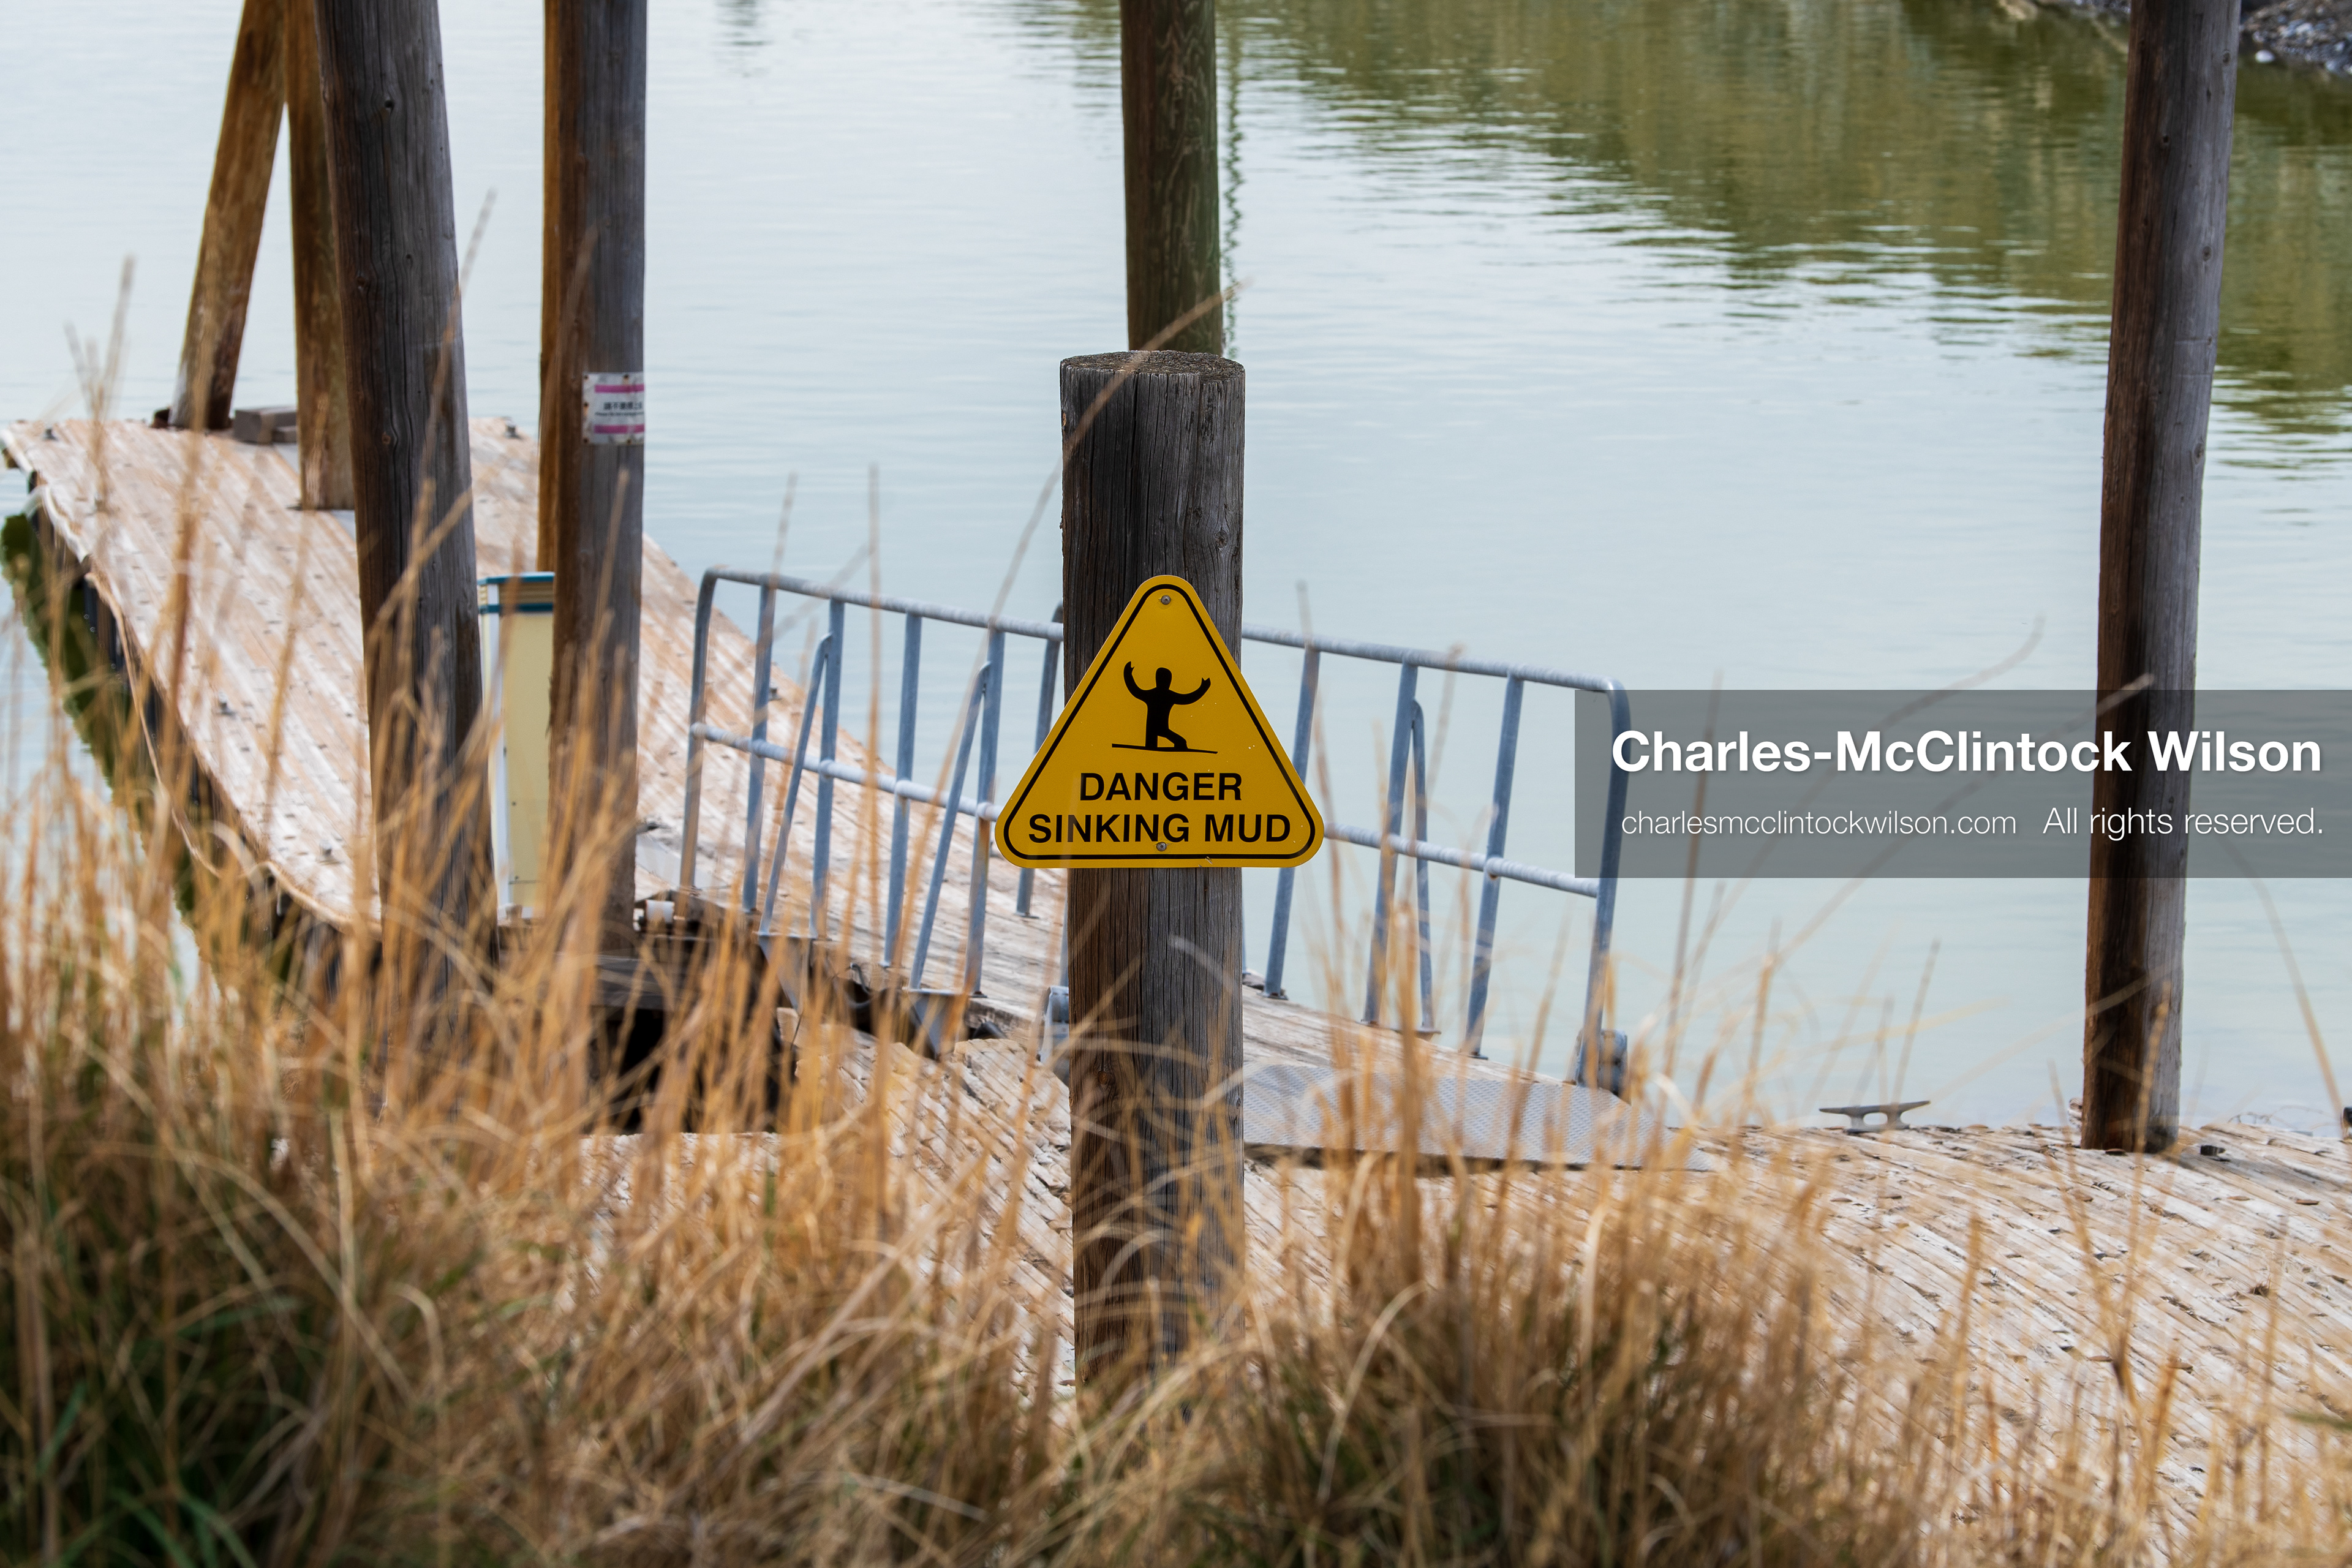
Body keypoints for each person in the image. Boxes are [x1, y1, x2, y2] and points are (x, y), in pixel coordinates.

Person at [1123, 662, 1210, 750]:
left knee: (1177, 742)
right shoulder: (1165, 695)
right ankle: (1151, 746)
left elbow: (1135, 690)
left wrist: (1128, 673)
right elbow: (1188, 698)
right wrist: (1203, 688)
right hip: (1159, 728)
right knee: (1180, 742)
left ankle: (1152, 746)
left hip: (1155, 728)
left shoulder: (1155, 694)